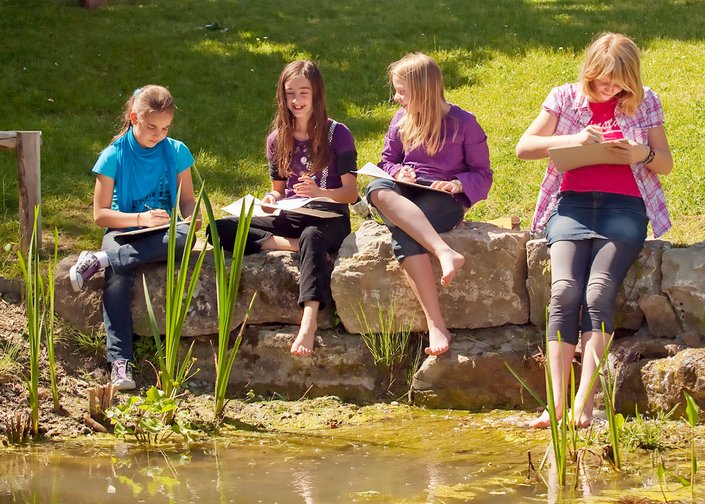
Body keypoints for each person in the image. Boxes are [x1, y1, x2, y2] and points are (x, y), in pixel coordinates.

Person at [516, 32, 673, 428]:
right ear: (590, 70)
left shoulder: (646, 100)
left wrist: (642, 154)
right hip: (572, 205)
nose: (612, 87)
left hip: (625, 207)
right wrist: (576, 138)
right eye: (605, 79)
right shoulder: (565, 97)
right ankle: (554, 404)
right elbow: (524, 146)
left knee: (598, 291)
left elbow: (666, 162)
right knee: (564, 291)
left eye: (621, 81)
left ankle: (583, 404)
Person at [211, 60, 358, 357]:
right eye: (290, 93)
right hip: (292, 214)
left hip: (329, 216)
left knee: (313, 236)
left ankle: (308, 322)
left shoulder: (337, 134)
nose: (296, 100)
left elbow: (351, 194)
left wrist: (321, 192)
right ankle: (294, 245)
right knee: (219, 227)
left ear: (316, 94)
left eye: (303, 93)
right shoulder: (277, 140)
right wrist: (271, 199)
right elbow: (278, 190)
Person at [68, 85, 197, 390]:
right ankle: (120, 363)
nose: (158, 134)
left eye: (165, 127)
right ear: (133, 117)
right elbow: (100, 215)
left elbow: (188, 202)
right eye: (151, 126)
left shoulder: (177, 151)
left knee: (184, 236)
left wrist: (192, 218)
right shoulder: (113, 156)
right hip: (123, 231)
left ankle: (100, 259)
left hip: (164, 233)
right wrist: (140, 219)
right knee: (117, 276)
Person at [365, 52, 493, 357]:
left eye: (402, 92)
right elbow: (388, 161)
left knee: (405, 232)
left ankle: (436, 324)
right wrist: (399, 171)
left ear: (424, 90)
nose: (396, 99)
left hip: (442, 199)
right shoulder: (401, 120)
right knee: (375, 188)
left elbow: (483, 173)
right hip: (403, 192)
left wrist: (457, 184)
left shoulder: (464, 123)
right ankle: (443, 250)